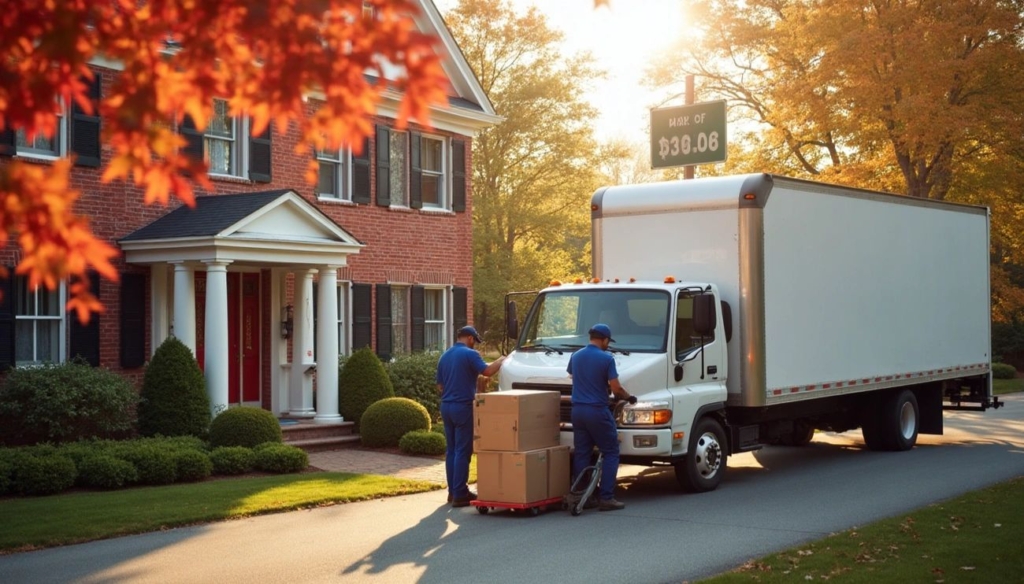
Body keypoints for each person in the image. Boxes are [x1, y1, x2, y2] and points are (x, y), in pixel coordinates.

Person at [436, 325, 506, 507]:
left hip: (446, 406)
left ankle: (452, 492)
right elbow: (488, 371)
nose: (474, 344)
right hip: (462, 406)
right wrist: (501, 360)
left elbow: (440, 387)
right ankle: (460, 493)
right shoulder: (469, 354)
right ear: (470, 339)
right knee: (462, 450)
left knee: (451, 450)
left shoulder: (444, 356)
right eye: (474, 341)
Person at [566, 323, 632, 511]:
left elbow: (572, 377)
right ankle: (606, 497)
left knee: (582, 453)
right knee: (611, 451)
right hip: (597, 411)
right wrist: (629, 397)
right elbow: (616, 387)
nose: (608, 345)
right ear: (604, 340)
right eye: (608, 341)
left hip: (577, 411)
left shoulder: (576, 356)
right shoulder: (606, 358)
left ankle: (582, 496)